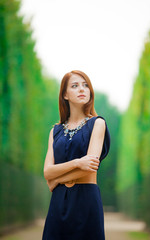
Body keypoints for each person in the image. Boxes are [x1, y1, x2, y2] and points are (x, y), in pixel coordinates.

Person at [42, 70, 111, 240]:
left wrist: (57, 179)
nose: (82, 89)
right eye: (75, 86)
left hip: (86, 200)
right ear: (65, 94)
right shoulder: (54, 131)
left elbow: (90, 168)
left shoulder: (98, 124)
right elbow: (47, 172)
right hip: (58, 203)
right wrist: (78, 163)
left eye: (85, 85)